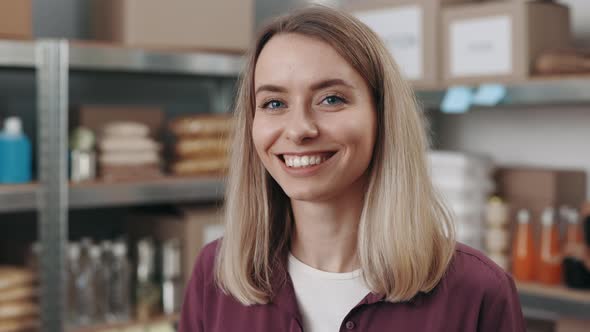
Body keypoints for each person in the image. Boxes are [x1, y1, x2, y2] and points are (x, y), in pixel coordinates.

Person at [179, 6, 525, 332]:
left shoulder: (478, 292)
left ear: (381, 116)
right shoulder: (215, 274)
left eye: (331, 99)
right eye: (274, 103)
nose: (299, 129)